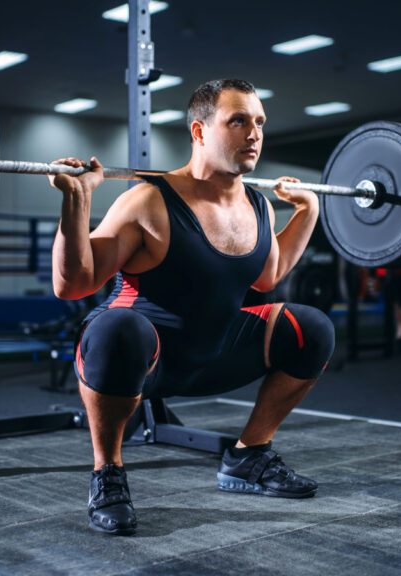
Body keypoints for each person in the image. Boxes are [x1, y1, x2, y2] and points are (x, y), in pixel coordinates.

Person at [48, 79, 335, 536]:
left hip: (213, 355)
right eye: (237, 121)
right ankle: (108, 473)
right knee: (117, 329)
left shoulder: (258, 206)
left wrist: (308, 212)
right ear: (199, 132)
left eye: (259, 122)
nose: (254, 134)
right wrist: (76, 200)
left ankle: (248, 456)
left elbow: (267, 276)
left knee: (311, 328)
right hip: (141, 359)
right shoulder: (148, 201)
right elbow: (72, 284)